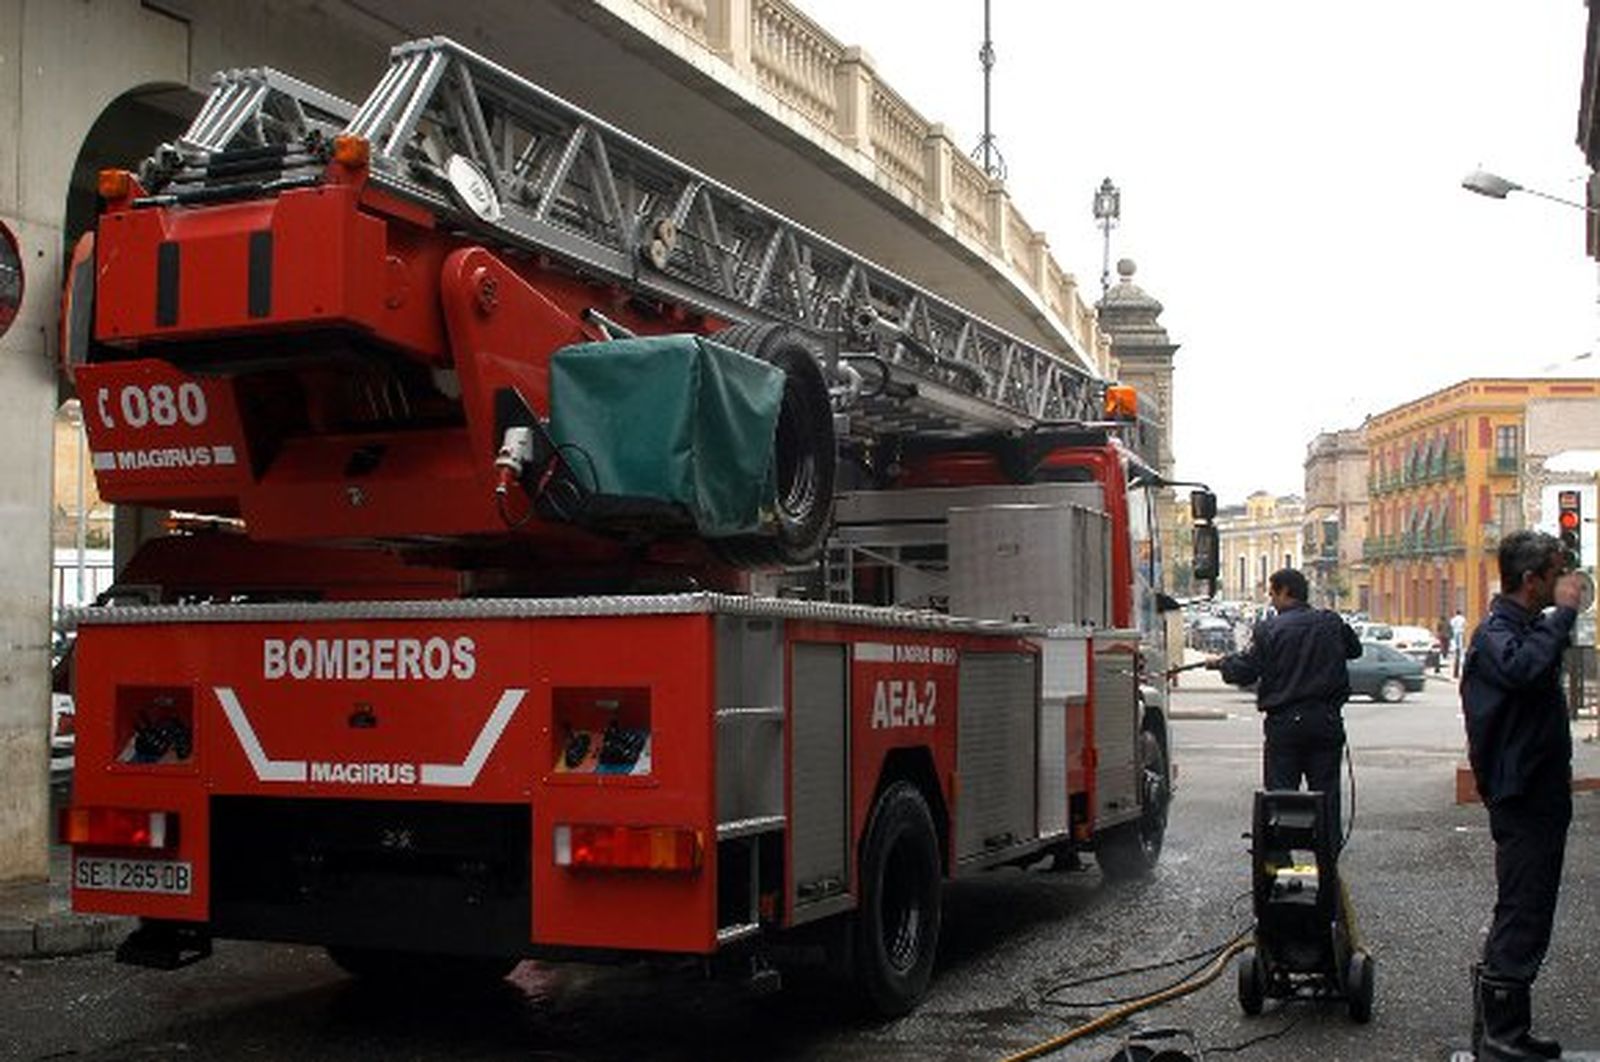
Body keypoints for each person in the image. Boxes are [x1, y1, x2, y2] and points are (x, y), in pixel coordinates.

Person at [1461, 530, 1581, 1062]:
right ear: (1531, 580)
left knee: (1527, 906)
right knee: (1523, 909)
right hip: (1523, 795)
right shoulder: (1498, 636)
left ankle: (1505, 1026)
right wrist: (1564, 616)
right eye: (1556, 574)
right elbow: (1524, 669)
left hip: (1535, 791)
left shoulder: (1521, 629)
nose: (1563, 584)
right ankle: (1500, 1034)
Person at [1206, 567, 1362, 841]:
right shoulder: (1331, 622)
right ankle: (1328, 855)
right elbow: (1355, 650)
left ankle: (1279, 854)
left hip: (1285, 725)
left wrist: (1223, 664)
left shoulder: (1269, 629)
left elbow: (1246, 671)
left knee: (1281, 794)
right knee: (1326, 793)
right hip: (1325, 722)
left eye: (1272, 594)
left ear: (1285, 591)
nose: (1271, 600)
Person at [1451, 608, 1468, 678]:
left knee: (1456, 642)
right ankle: (1460, 650)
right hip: (1461, 631)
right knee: (1460, 643)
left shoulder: (1454, 618)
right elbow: (1466, 625)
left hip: (1455, 631)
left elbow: (1451, 624)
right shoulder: (1462, 618)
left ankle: (1456, 648)